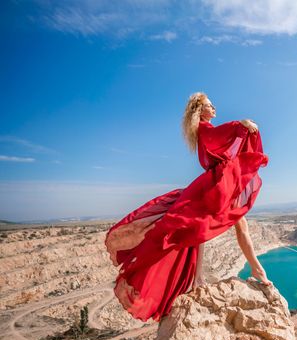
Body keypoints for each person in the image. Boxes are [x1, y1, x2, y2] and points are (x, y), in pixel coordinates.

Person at [104, 92, 271, 322]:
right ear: (199, 111)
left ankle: (230, 272)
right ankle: (247, 270)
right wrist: (241, 123)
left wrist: (240, 130)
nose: (214, 109)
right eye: (210, 106)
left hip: (219, 184)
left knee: (211, 228)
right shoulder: (204, 129)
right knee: (216, 227)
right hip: (217, 186)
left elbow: (225, 145)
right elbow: (221, 135)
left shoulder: (204, 130)